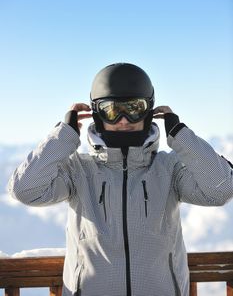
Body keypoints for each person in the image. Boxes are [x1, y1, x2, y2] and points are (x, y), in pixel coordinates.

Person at [9, 62, 233, 296]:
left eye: (134, 108)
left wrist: (180, 134)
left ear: (149, 111)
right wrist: (64, 135)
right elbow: (25, 189)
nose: (123, 120)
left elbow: (222, 189)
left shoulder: (169, 168)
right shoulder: (77, 170)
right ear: (96, 113)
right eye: (112, 110)